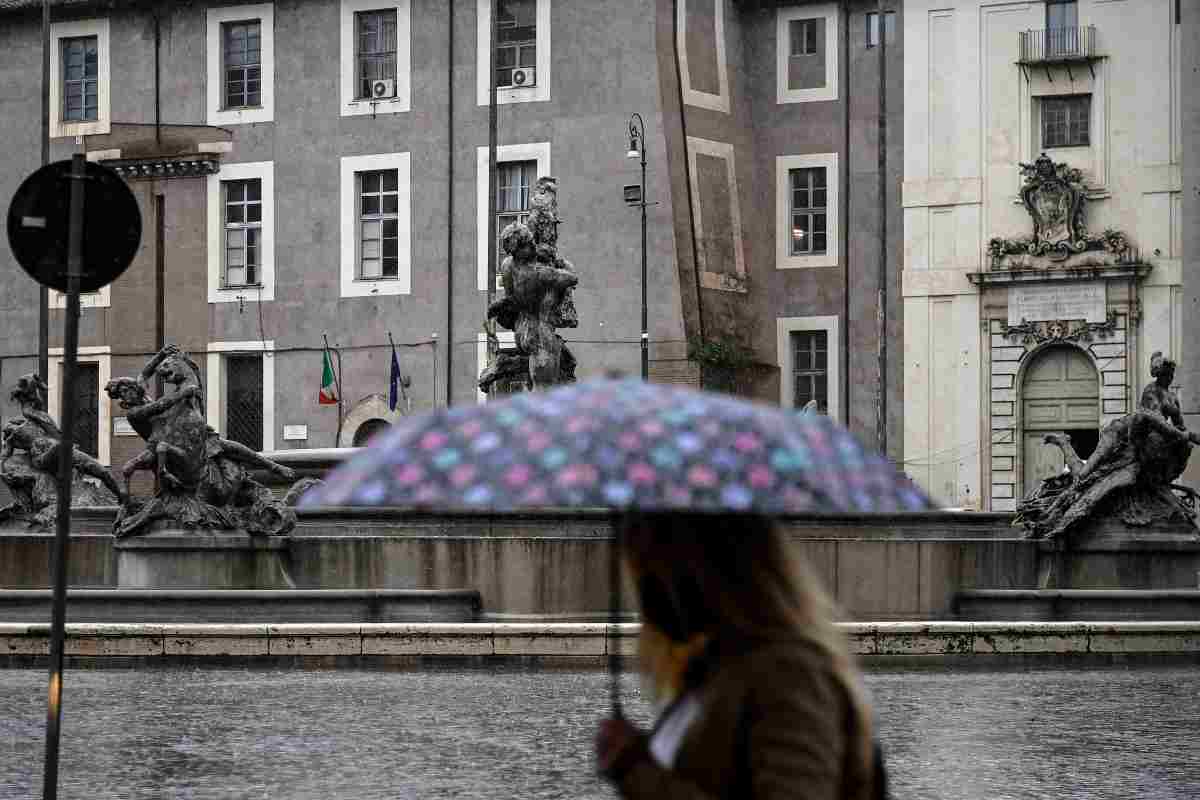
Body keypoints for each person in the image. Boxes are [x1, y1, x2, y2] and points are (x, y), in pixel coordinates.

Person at [596, 512, 883, 799]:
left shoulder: (790, 675)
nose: (646, 588)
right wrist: (638, 758)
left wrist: (638, 773)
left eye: (650, 564)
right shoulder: (717, 669)